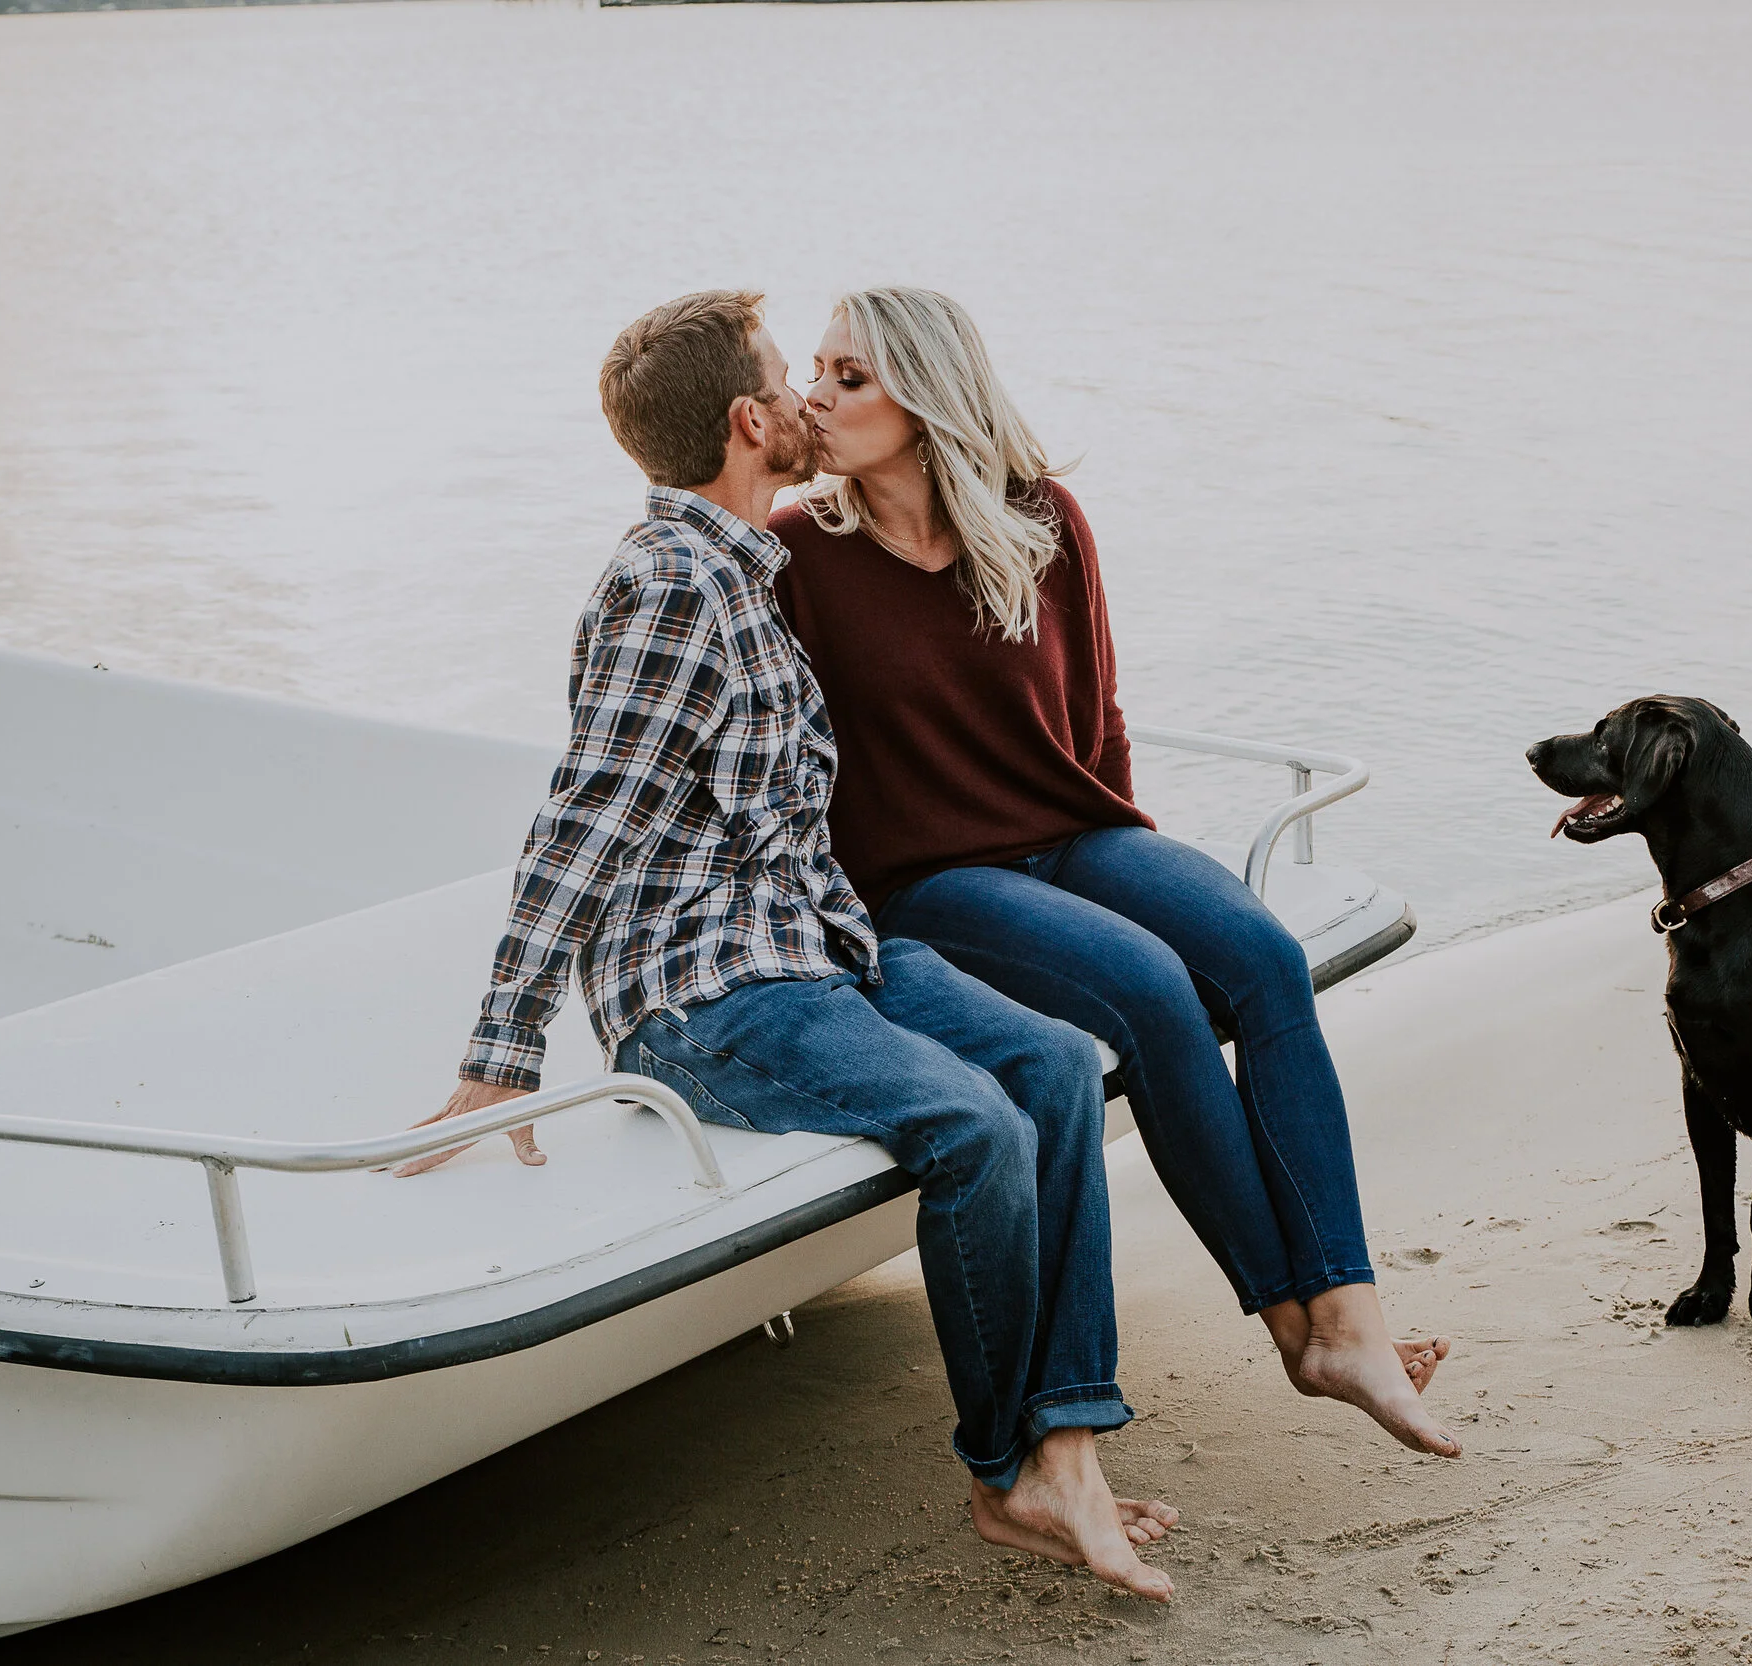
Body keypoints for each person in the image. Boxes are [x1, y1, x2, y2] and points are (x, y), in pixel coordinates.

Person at [397, 291, 1177, 1599]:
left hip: (816, 949)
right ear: (749, 422)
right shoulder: (670, 585)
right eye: (787, 380)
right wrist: (501, 1051)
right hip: (706, 990)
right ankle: (1008, 1474)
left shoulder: (754, 569)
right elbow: (583, 820)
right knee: (975, 1127)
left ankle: (1069, 1449)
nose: (812, 397)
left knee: (1052, 1068)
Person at [771, 288, 1459, 1459]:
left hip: (1078, 831)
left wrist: (1134, 859)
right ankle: (1295, 1329)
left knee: (1261, 957)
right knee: (1147, 986)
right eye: (814, 370)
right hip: (926, 878)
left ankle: (1349, 1316)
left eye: (849, 376)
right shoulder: (799, 552)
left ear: (926, 396)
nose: (814, 397)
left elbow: (1098, 720)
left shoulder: (1038, 516)